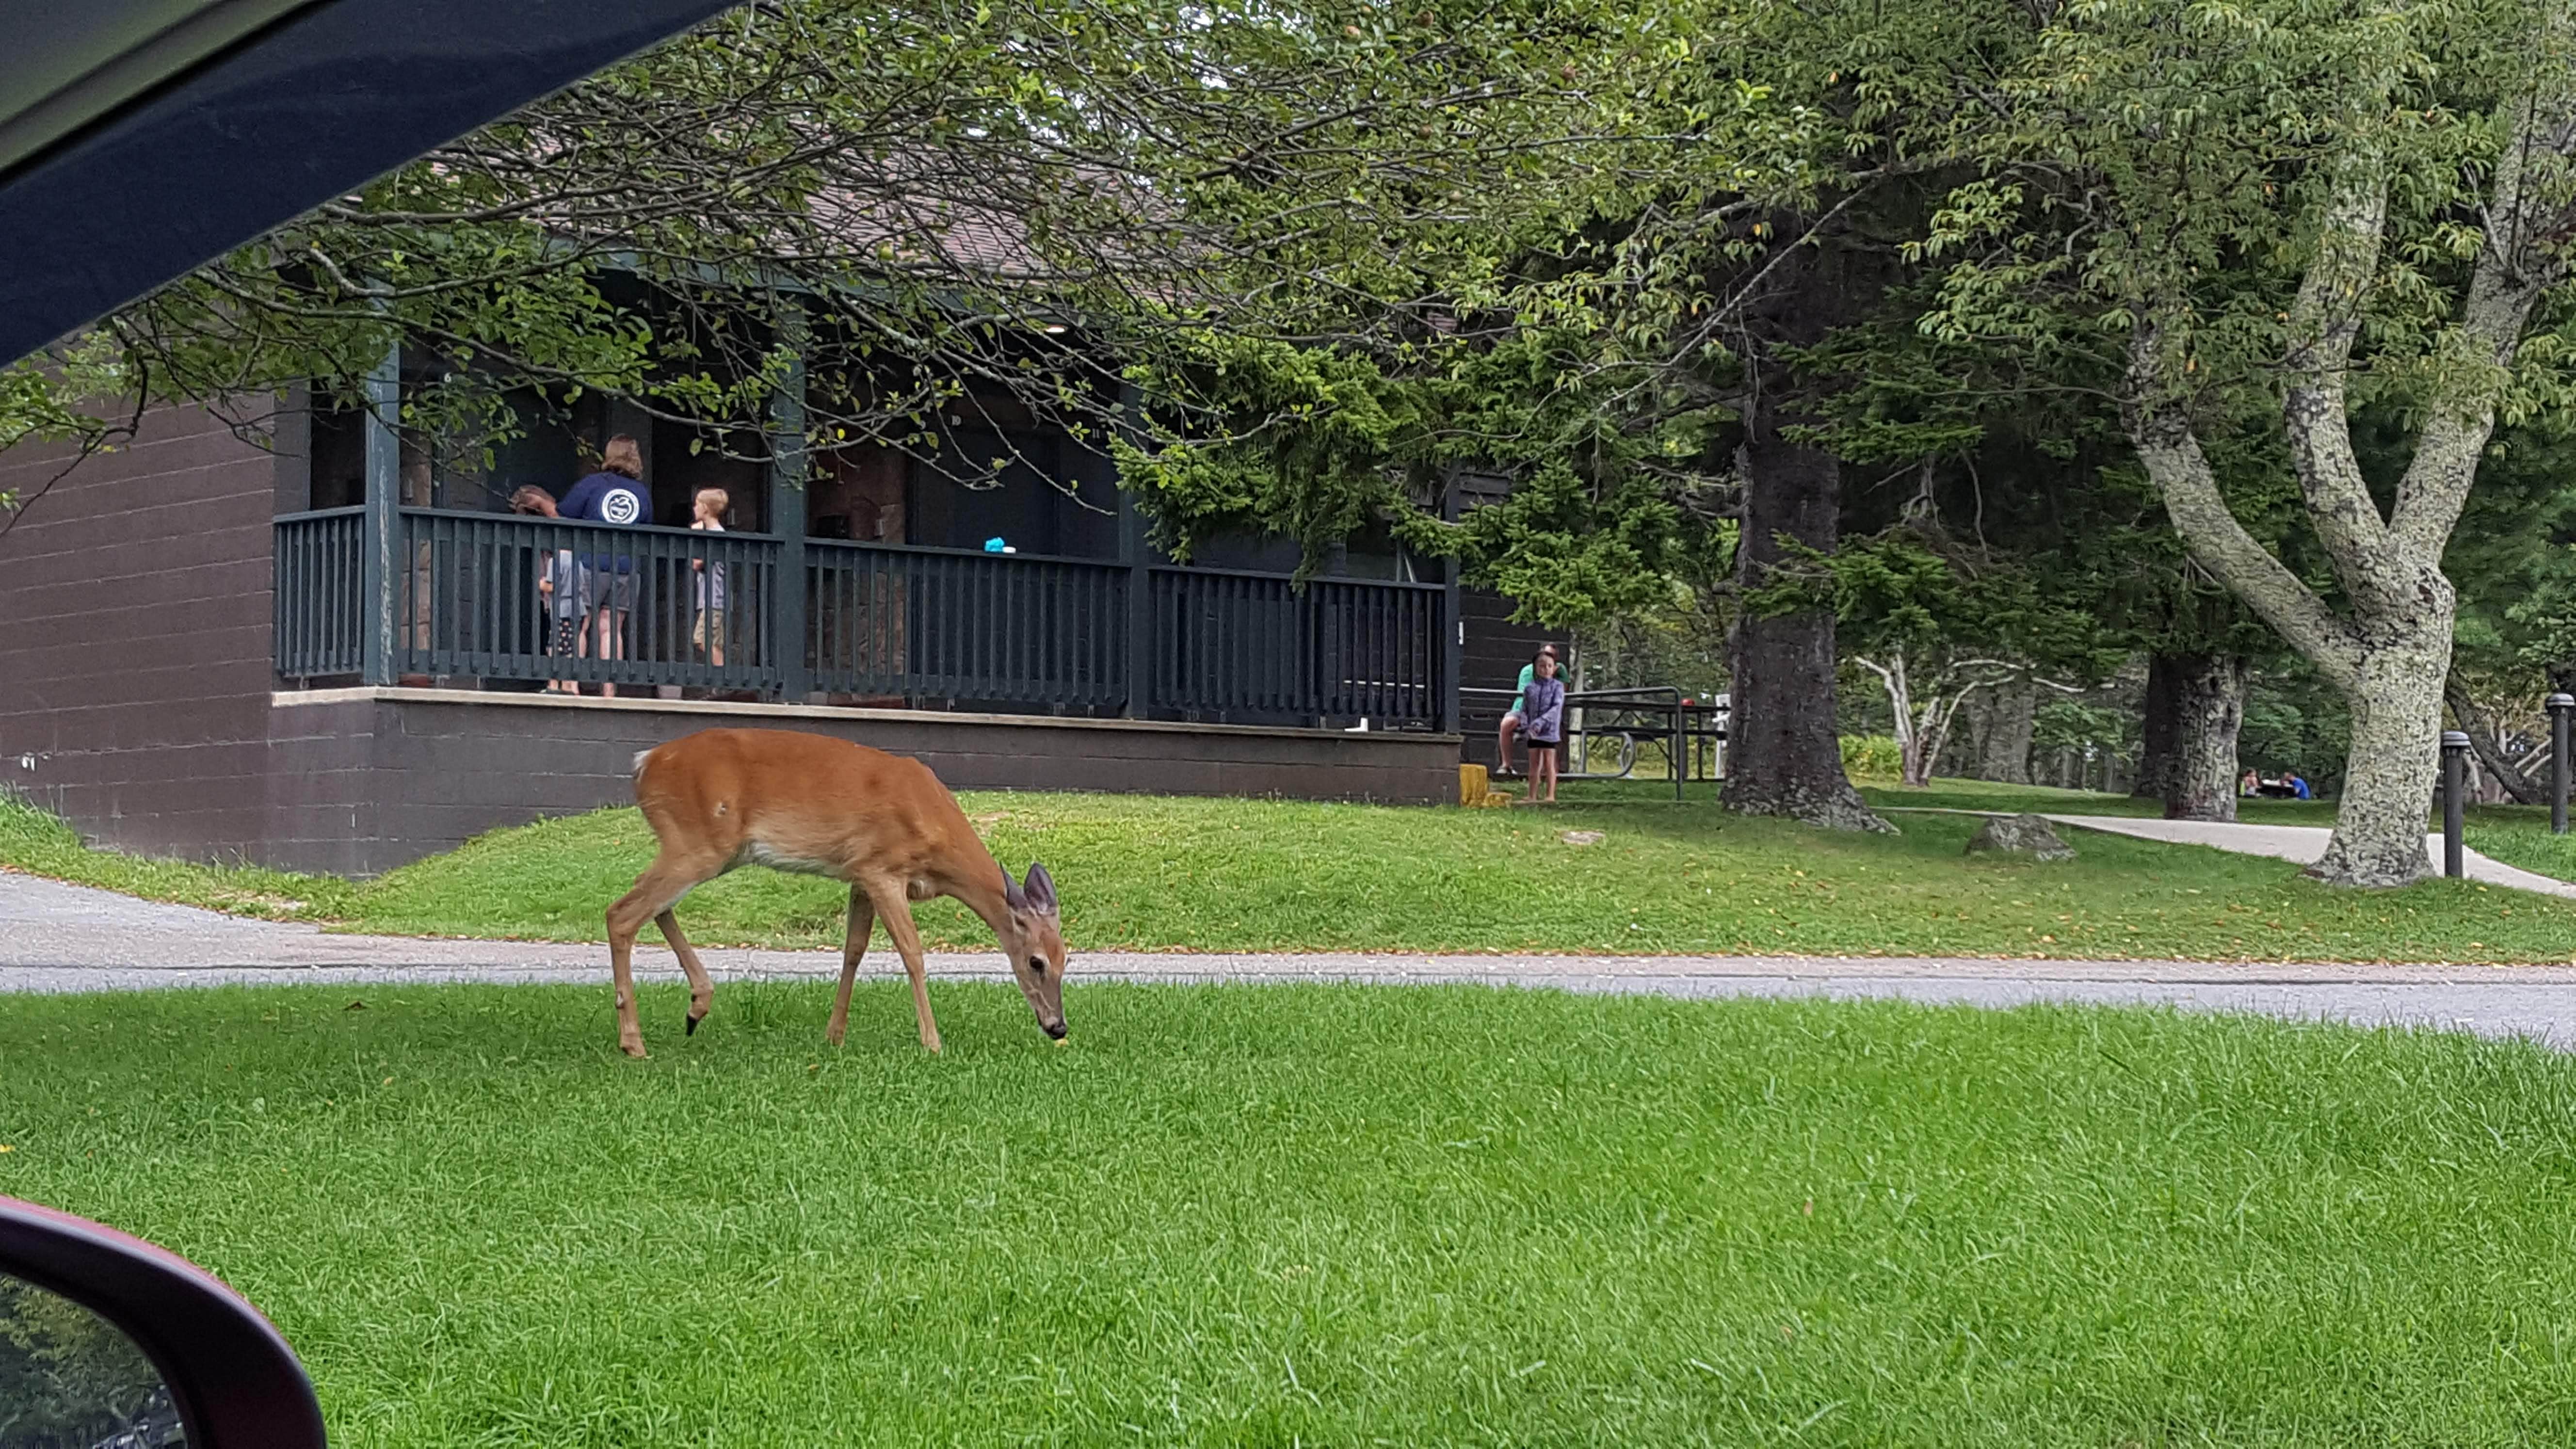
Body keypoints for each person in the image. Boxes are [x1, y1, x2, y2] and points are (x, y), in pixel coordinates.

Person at [558, 435, 649, 697]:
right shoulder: (640, 492)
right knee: (612, 628)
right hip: (625, 567)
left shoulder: (592, 484)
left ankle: (572, 685)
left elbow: (565, 512)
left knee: (580, 624)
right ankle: (610, 690)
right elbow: (646, 523)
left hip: (590, 563)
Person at [510, 486, 583, 692]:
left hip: (565, 599)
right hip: (562, 599)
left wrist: (542, 505)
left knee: (563, 641)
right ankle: (560, 683)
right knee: (560, 639)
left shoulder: (562, 541)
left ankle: (564, 684)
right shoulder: (544, 535)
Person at [1496, 642, 1558, 777]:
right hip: (1524, 710)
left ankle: (1545, 770)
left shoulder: (1558, 670)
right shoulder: (1528, 671)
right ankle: (1506, 765)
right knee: (1507, 724)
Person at [1517, 648, 1565, 804]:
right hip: (1533, 732)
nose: (1546, 669)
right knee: (1534, 764)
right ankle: (1532, 795)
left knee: (1549, 763)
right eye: (1542, 666)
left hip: (1549, 731)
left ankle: (1550, 795)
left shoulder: (1558, 687)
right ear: (1535, 668)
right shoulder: (1530, 688)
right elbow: (1524, 708)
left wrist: (1541, 722)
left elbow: (1556, 708)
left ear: (1554, 668)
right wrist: (1525, 724)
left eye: (1549, 666)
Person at [689, 487, 729, 667]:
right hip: (714, 599)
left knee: (702, 639)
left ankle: (722, 680)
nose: (694, 509)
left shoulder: (715, 536)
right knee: (715, 643)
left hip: (714, 598)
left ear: (705, 508)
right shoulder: (716, 534)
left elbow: (698, 563)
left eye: (697, 505)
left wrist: (696, 535)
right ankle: (719, 686)